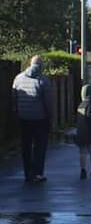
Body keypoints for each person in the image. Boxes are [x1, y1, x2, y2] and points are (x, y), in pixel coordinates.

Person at [11, 55, 51, 183]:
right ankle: (37, 173)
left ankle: (28, 173)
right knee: (40, 146)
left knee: (26, 146)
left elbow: (14, 98)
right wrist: (50, 116)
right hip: (39, 118)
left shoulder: (18, 78)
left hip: (23, 118)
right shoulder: (43, 80)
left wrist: (16, 112)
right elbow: (48, 102)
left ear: (30, 63)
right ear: (41, 65)